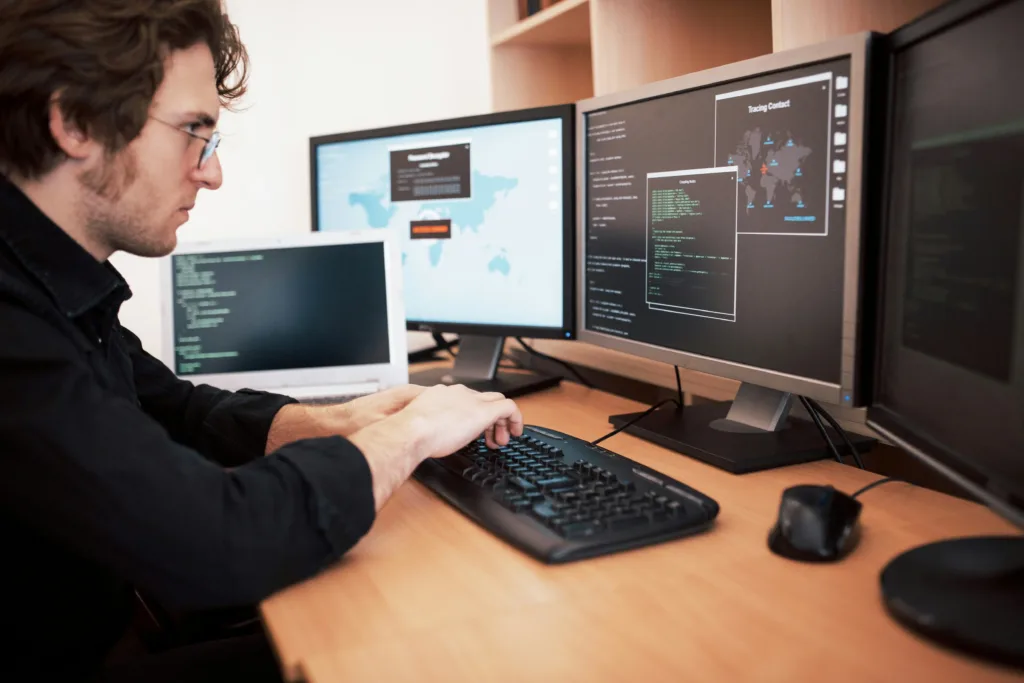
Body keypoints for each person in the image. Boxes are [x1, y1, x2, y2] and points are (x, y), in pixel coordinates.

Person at [0, 1, 524, 680]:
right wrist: (411, 434)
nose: (211, 172)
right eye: (194, 131)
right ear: (73, 123)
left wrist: (341, 421)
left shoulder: (60, 286)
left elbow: (179, 410)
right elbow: (218, 539)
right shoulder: (13, 324)